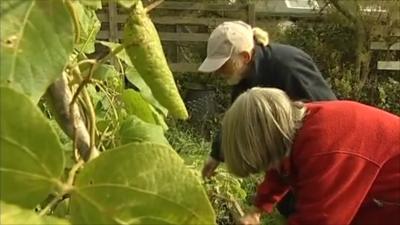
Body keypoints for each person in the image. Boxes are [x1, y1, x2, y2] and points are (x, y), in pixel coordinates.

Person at [198, 20, 336, 216]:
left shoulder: (287, 66)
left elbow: (327, 112)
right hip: (286, 155)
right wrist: (216, 156)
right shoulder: (244, 76)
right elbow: (235, 120)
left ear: (244, 57)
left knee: (313, 208)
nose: (218, 71)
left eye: (222, 65)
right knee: (290, 206)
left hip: (319, 154)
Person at [221, 87, 400, 225]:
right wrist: (257, 208)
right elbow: (279, 168)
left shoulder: (326, 148)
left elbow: (320, 219)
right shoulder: (293, 125)